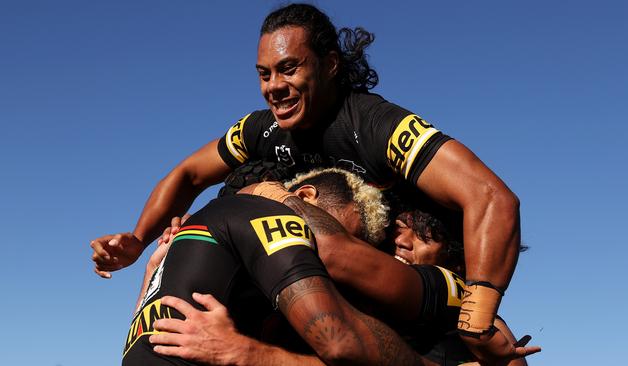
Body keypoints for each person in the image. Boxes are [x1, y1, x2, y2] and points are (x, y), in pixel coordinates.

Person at [93, 3, 522, 357]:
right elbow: (187, 174)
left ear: (331, 64)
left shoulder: (374, 124)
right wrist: (138, 238)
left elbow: (490, 196)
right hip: (323, 288)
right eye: (264, 74)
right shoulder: (262, 130)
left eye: (289, 69)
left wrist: (478, 312)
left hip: (408, 288)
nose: (274, 87)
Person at [143, 175, 538, 365]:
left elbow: (333, 251)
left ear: (457, 257)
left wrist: (268, 195)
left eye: (424, 238)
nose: (401, 243)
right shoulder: (346, 295)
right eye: (397, 233)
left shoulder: (451, 294)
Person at [123, 168, 436, 365]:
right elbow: (338, 342)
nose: (336, 269)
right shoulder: (274, 215)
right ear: (304, 198)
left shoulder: (179, 248)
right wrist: (249, 354)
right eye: (337, 231)